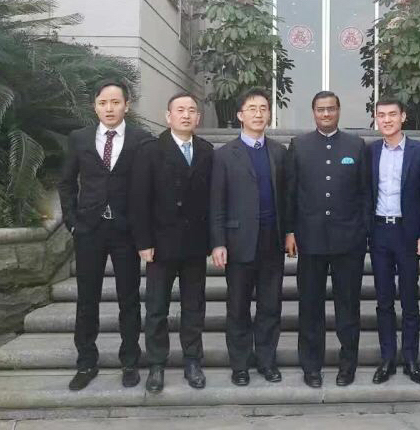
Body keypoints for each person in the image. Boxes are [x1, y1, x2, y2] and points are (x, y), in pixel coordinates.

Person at [57, 80, 151, 391]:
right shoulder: (79, 138)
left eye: (115, 102)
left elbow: (147, 186)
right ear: (94, 106)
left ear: (127, 105)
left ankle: (130, 361)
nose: (109, 108)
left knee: (129, 299)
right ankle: (86, 362)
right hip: (89, 230)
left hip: (126, 231)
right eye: (103, 103)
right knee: (87, 299)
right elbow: (66, 182)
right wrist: (72, 222)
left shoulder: (140, 139)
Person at [285, 91, 371, 388]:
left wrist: (363, 231)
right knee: (310, 307)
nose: (326, 114)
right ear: (313, 112)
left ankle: (348, 365)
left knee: (348, 306)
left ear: (338, 111)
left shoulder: (355, 145)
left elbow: (365, 193)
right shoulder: (299, 145)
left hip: (349, 241)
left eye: (331, 109)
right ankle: (311, 366)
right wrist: (290, 231)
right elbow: (291, 193)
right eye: (320, 109)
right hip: (310, 240)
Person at [129, 92, 214, 393]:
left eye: (191, 110)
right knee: (156, 308)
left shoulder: (206, 150)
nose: (186, 115)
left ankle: (192, 361)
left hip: (194, 244)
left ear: (198, 118)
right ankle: (156, 364)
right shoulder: (150, 150)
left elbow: (212, 199)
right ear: (168, 116)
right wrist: (143, 241)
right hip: (160, 244)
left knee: (194, 306)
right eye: (180, 110)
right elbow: (139, 200)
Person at [209, 88, 288, 386]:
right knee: (238, 307)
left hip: (271, 240)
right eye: (252, 108)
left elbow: (287, 198)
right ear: (240, 115)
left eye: (263, 108)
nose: (258, 113)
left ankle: (267, 361)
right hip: (238, 241)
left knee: (270, 306)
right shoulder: (223, 155)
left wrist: (289, 232)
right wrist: (218, 242)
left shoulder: (279, 152)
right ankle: (240, 365)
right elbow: (216, 201)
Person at [368, 97, 420, 385]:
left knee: (409, 299)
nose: (387, 120)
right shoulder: (370, 151)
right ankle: (387, 358)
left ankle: (410, 359)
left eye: (392, 114)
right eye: (381, 115)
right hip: (380, 232)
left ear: (403, 117)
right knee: (383, 300)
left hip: (408, 234)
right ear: (376, 119)